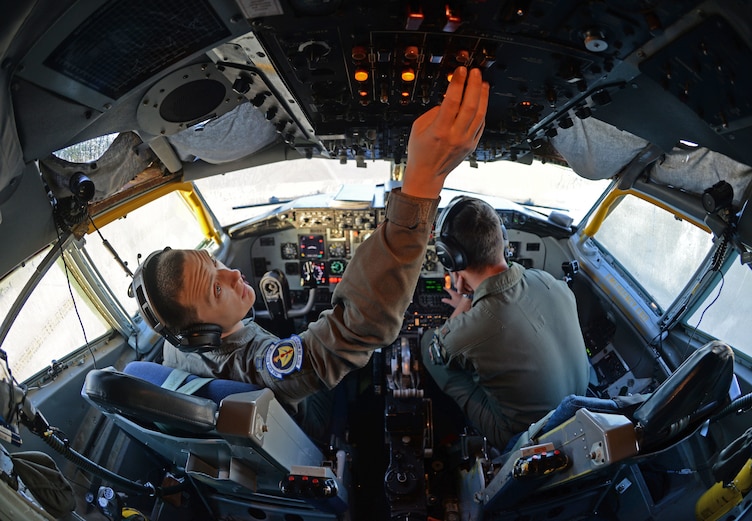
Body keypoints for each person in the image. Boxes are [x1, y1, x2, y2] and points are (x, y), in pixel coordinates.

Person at [131, 67, 490, 439]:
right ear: (201, 331)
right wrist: (421, 182)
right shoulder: (262, 367)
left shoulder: (175, 349)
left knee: (307, 332)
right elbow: (358, 328)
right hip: (304, 423)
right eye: (216, 289)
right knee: (348, 370)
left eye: (216, 263)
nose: (233, 274)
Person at [422, 196, 590, 451]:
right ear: (502, 238)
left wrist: (465, 301)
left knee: (429, 351)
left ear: (450, 258)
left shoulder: (469, 330)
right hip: (581, 411)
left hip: (527, 437)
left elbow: (435, 347)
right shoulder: (548, 280)